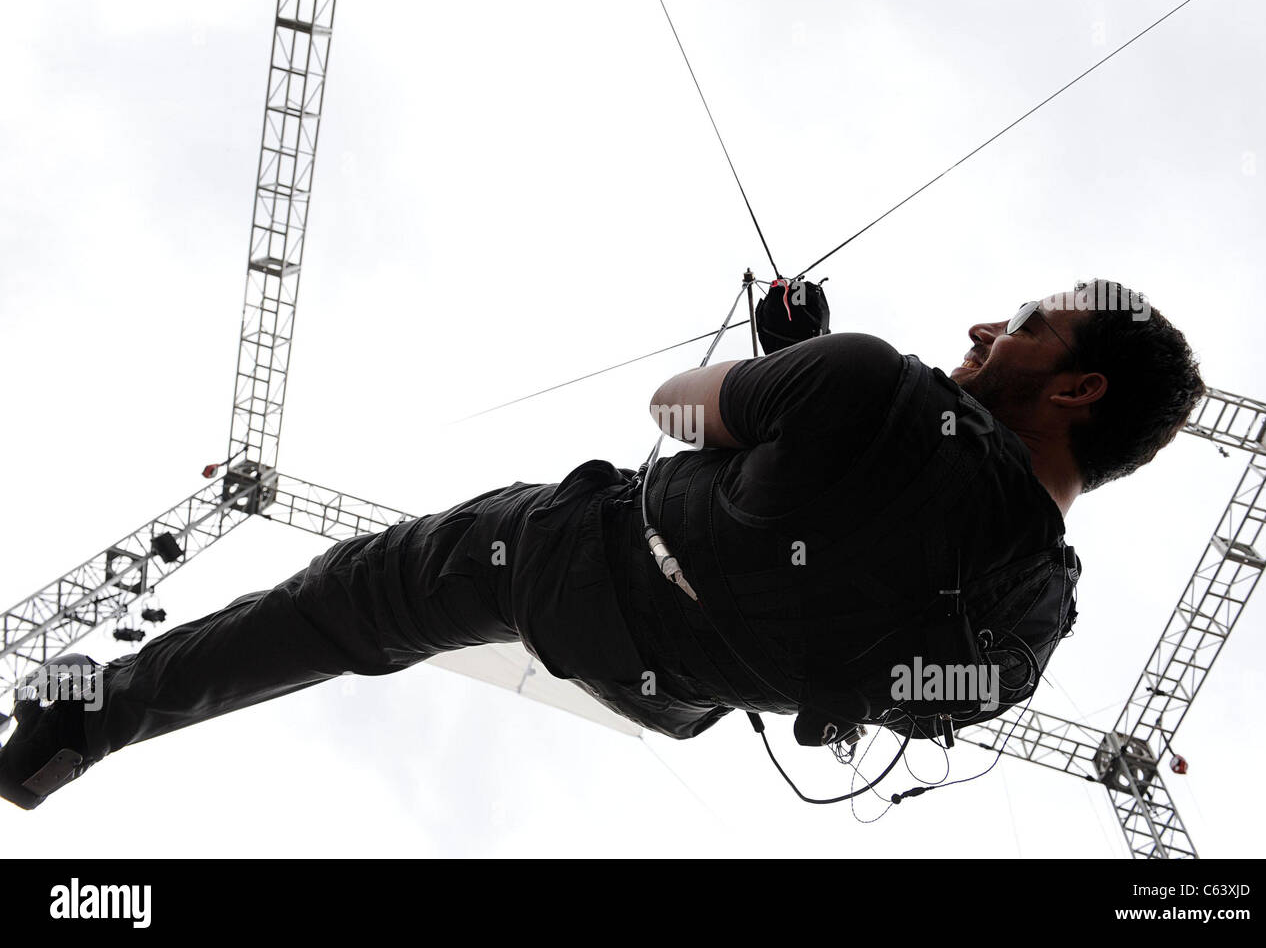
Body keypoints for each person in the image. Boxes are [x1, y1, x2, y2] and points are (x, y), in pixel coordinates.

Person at [0, 278, 1205, 809]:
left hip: (570, 563)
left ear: (1079, 388)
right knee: (370, 619)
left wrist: (795, 361)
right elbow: (850, 710)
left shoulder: (873, 385)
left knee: (346, 605)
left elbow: (677, 410)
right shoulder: (1033, 641)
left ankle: (82, 721)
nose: (989, 325)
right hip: (664, 690)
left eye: (1029, 326)